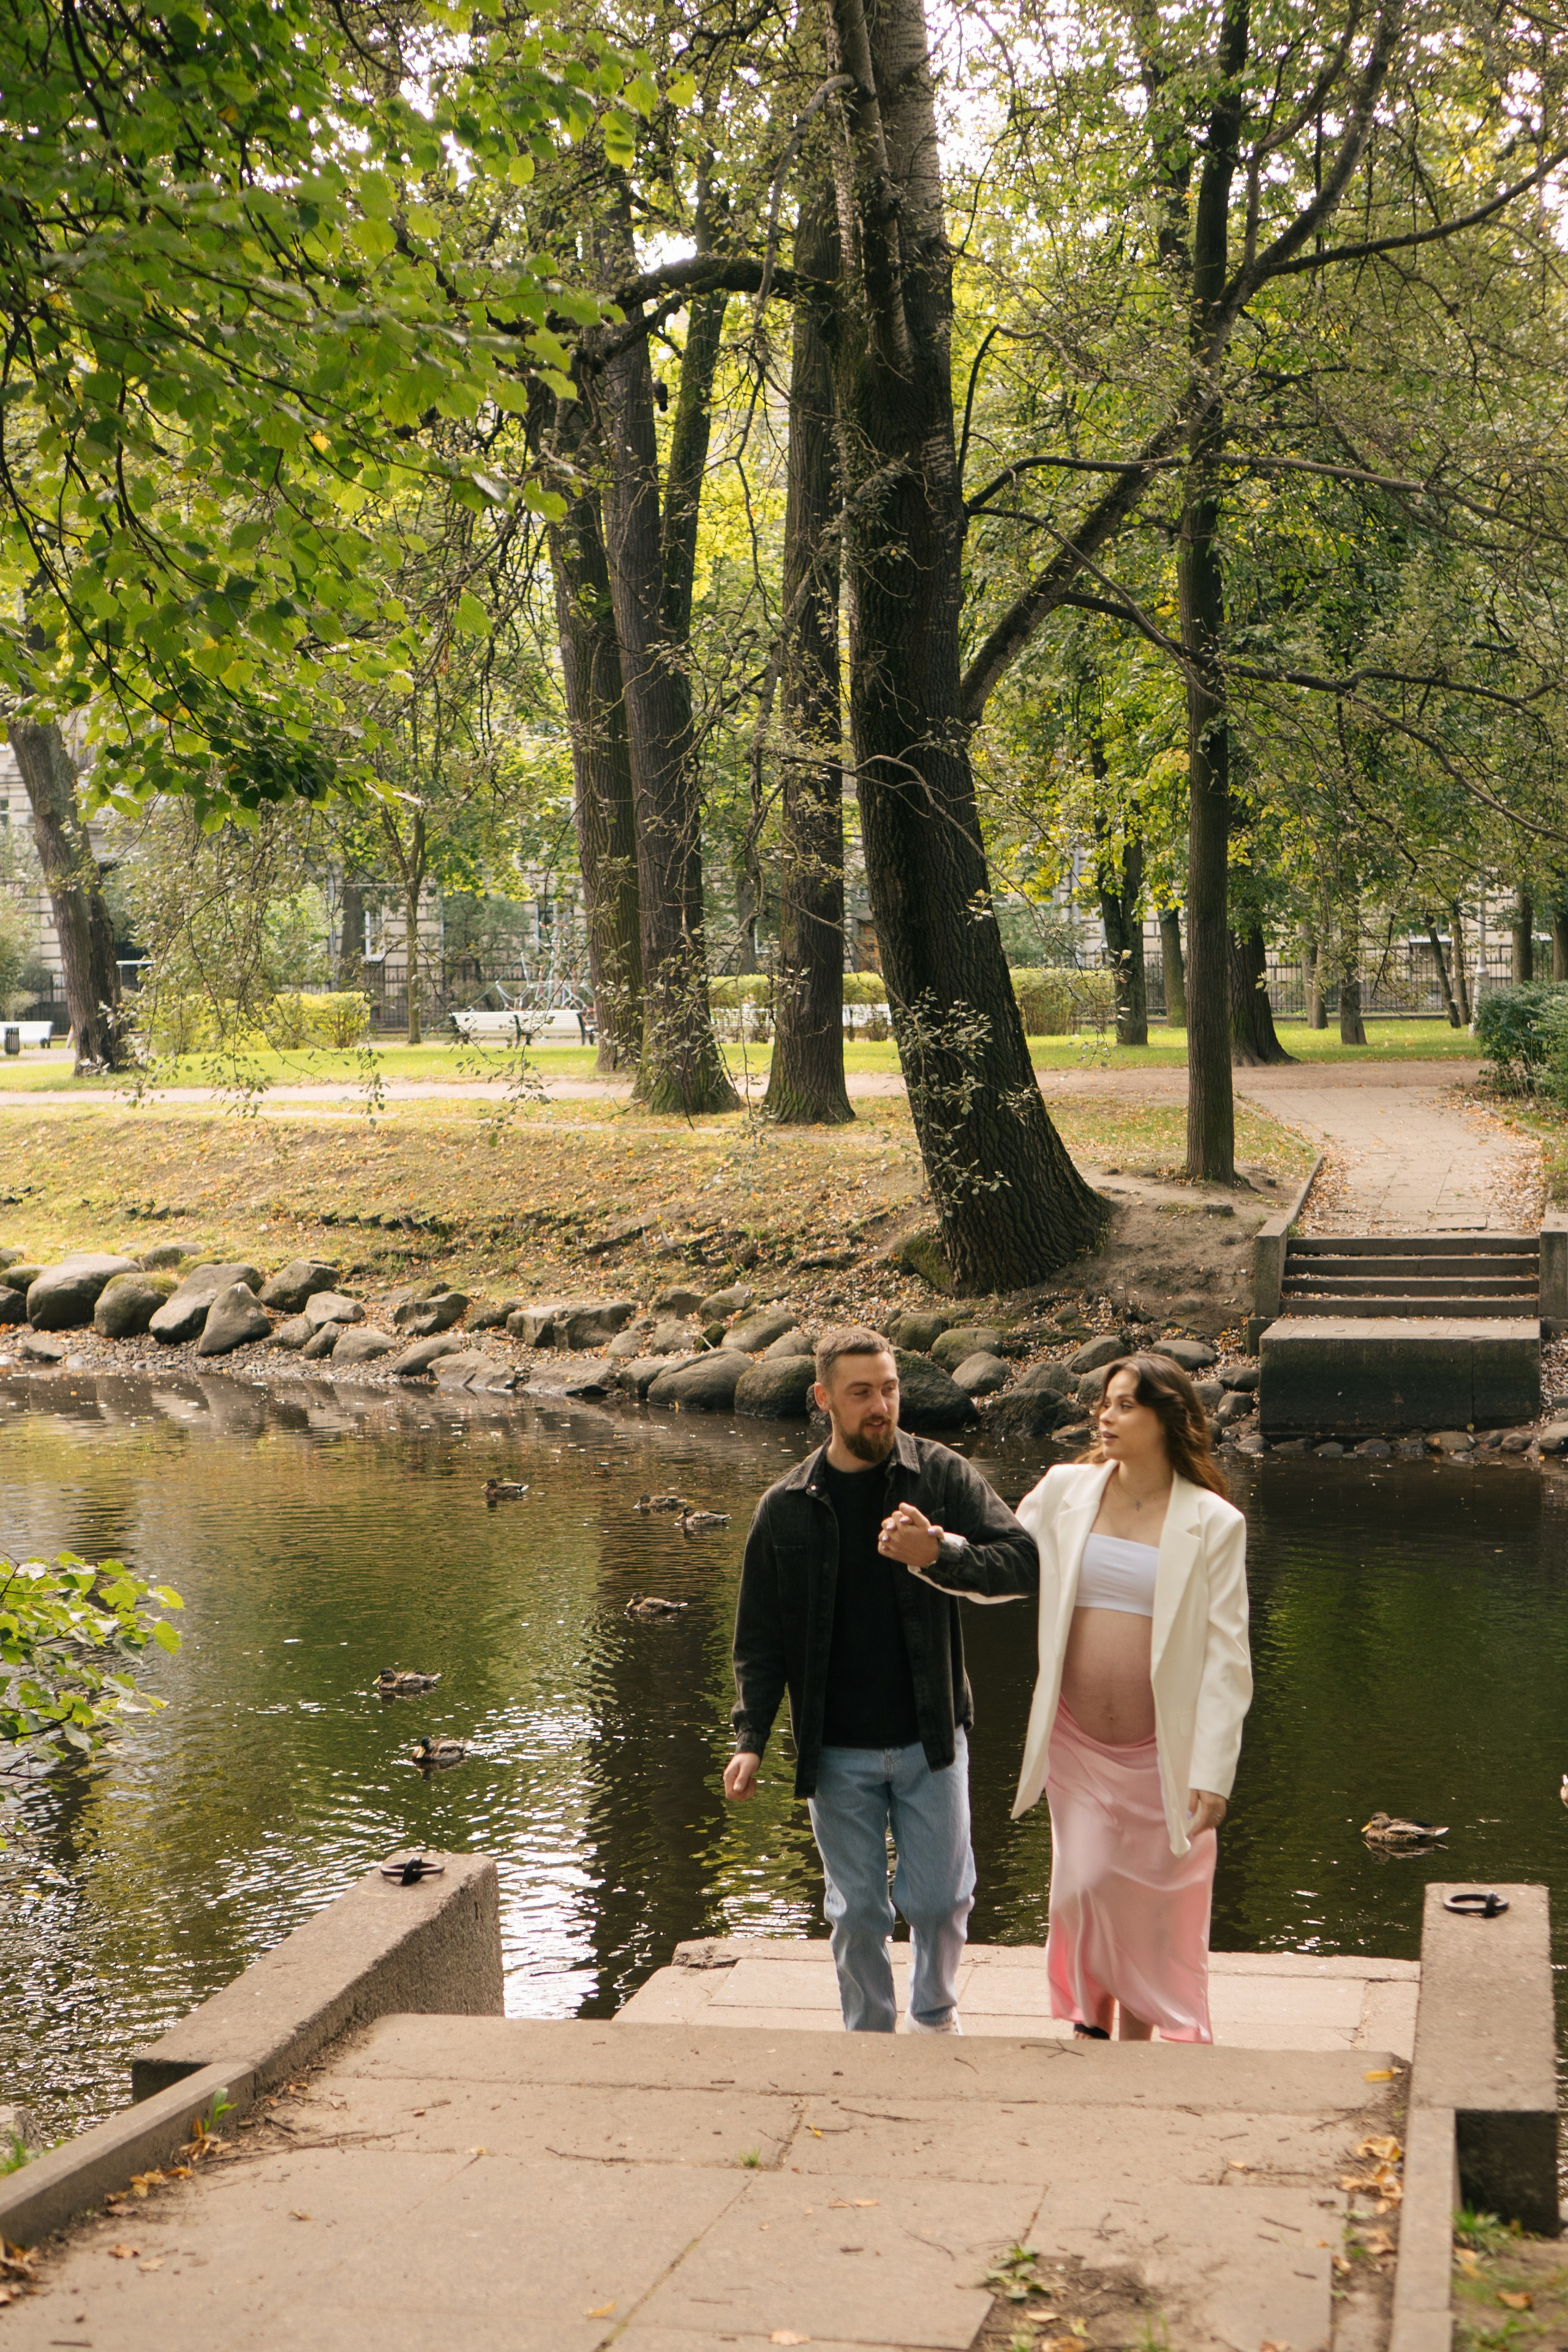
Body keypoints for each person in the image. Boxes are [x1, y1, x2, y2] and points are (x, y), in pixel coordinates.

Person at [914, 1351, 1251, 2043]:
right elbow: (1006, 1569)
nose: (1106, 1416)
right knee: (1085, 1887)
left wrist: (1214, 1774)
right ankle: (1090, 2029)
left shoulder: (1214, 1523)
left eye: (1126, 1405)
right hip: (1077, 1742)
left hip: (1164, 1752)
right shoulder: (1065, 1491)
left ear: (1167, 1419)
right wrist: (937, 1552)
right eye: (1105, 1402)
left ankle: (1132, 2048)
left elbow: (1227, 1658)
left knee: (1149, 1907)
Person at [724, 1325, 1038, 2035]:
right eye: (861, 1392)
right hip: (835, 1750)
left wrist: (941, 1553)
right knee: (858, 1910)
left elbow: (1024, 1561)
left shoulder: (940, 1476)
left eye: (889, 1389)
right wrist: (750, 1739)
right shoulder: (785, 1506)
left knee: (938, 1901)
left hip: (932, 1739)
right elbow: (760, 1640)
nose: (880, 1407)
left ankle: (933, 2019)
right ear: (823, 1399)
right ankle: (867, 2038)